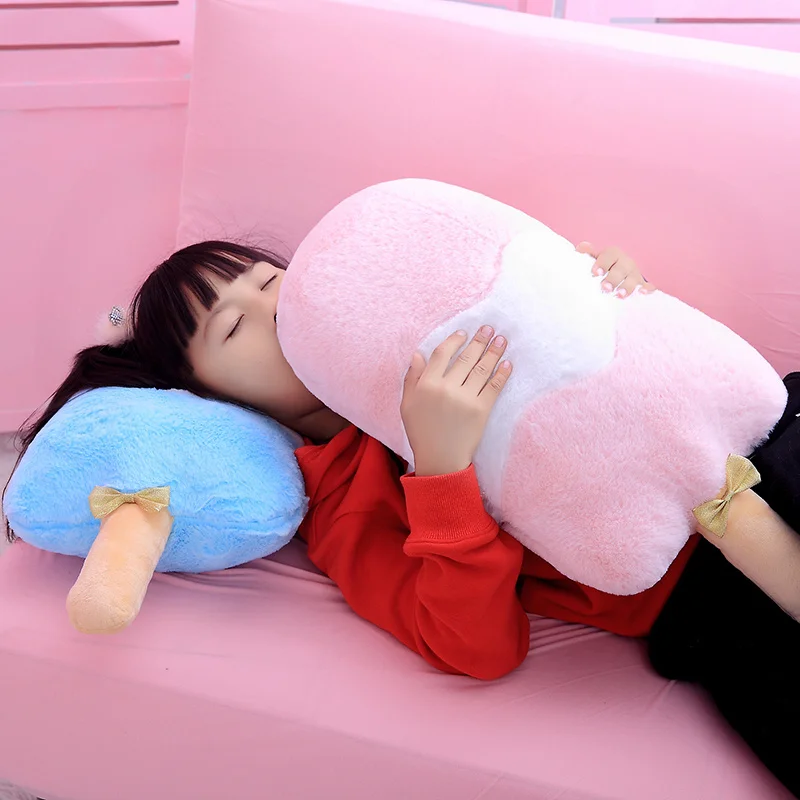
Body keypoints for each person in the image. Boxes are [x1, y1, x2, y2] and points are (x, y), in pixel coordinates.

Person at [5, 240, 800, 796]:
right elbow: (476, 648)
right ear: (216, 400)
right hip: (695, 591)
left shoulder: (436, 318)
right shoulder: (342, 503)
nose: (272, 305)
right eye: (235, 326)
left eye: (270, 280)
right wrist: (441, 469)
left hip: (755, 442)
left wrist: (601, 287)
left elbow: (603, 342)